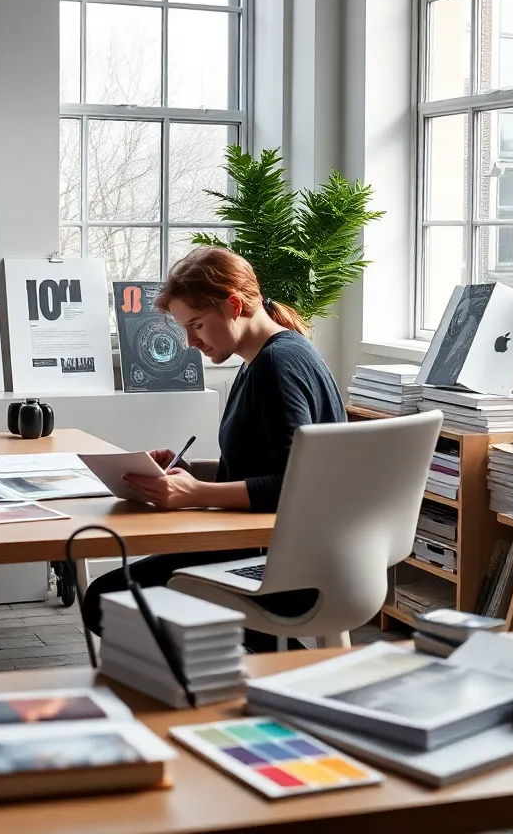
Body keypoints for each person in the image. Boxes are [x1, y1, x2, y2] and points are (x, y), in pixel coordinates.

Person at [80, 246, 345, 652]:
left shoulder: (278, 367)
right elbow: (268, 463)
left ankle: (258, 672)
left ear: (234, 305)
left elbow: (298, 485)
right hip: (291, 553)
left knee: (107, 601)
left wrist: (196, 495)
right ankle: (282, 665)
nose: (190, 341)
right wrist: (192, 469)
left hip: (280, 565)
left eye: (197, 325)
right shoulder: (267, 357)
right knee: (111, 596)